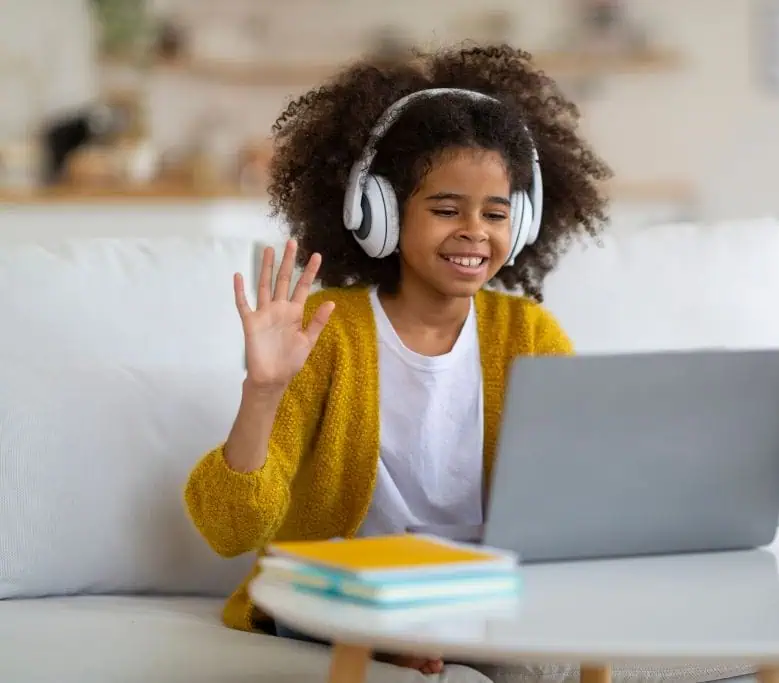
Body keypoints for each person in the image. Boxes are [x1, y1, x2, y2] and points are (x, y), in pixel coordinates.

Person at [183, 43, 610, 677]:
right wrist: (263, 389)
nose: (474, 230)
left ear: (521, 223)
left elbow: (586, 489)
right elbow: (231, 529)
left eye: (496, 213)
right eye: (445, 209)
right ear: (377, 212)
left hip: (476, 595)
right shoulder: (328, 334)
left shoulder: (528, 336)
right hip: (340, 594)